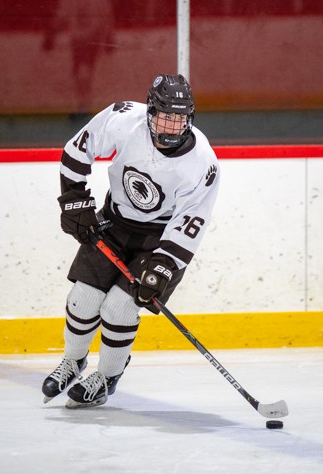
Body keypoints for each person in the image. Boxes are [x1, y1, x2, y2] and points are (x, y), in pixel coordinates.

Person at [42, 74, 220, 408]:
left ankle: (107, 378)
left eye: (180, 118)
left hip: (160, 239)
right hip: (114, 221)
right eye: (166, 117)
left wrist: (162, 268)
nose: (172, 126)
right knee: (83, 298)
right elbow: (76, 151)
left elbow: (190, 221)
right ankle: (73, 362)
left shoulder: (202, 163)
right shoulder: (123, 119)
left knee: (119, 306)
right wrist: (74, 201)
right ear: (150, 112)